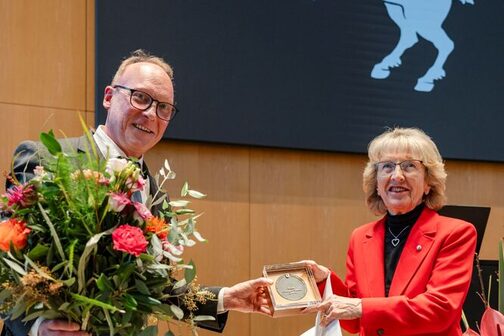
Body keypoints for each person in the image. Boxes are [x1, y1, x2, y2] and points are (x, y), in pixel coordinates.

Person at [1, 50, 272, 336]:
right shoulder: (47, 160)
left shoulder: (156, 199)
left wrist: (226, 298)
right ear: (108, 96)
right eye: (140, 97)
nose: (151, 114)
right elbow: (6, 261)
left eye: (163, 107)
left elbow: (152, 291)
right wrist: (38, 327)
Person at [303, 127, 477, 336]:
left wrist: (361, 307)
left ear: (428, 183)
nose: (397, 176)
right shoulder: (360, 237)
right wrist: (324, 281)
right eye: (386, 167)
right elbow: (356, 323)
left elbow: (440, 309)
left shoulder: (456, 233)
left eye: (409, 166)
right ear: (376, 184)